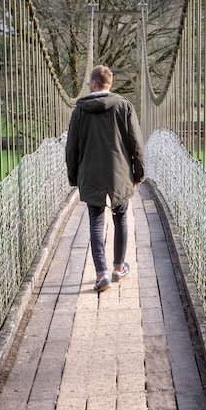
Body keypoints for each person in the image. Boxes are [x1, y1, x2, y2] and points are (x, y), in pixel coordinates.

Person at [65, 65, 145, 292]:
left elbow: (71, 149)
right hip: (120, 174)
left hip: (90, 174)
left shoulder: (79, 111)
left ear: (92, 83)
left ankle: (102, 275)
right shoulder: (124, 106)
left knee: (96, 222)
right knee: (121, 218)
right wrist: (138, 174)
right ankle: (118, 269)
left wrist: (74, 177)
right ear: (109, 84)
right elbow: (136, 144)